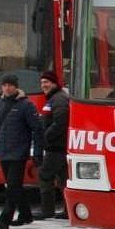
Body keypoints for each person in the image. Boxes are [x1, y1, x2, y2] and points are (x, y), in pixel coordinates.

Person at [0, 74, 44, 229]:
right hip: (3, 151)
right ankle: (26, 214)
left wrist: (37, 153)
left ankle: (4, 220)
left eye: (10, 85)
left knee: (12, 187)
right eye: (5, 85)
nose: (7, 88)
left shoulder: (26, 105)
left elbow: (37, 130)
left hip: (19, 153)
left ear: (16, 86)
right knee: (14, 186)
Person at [37, 70, 70, 220]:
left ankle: (47, 210)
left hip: (56, 146)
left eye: (47, 82)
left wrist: (46, 136)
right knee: (63, 178)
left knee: (45, 176)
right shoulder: (54, 98)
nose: (44, 85)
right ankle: (67, 210)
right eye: (42, 82)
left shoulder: (59, 99)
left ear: (54, 83)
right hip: (57, 146)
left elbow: (60, 122)